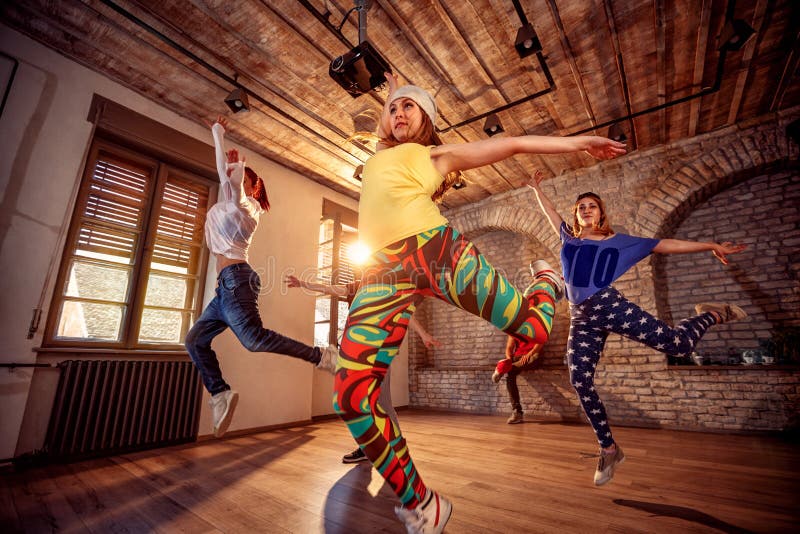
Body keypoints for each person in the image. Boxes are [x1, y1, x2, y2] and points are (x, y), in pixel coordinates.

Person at [333, 73, 626, 534]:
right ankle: (421, 503)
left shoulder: (433, 155)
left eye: (411, 107)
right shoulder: (377, 159)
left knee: (531, 330)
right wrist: (395, 92)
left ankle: (545, 282)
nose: (399, 113)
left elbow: (511, 145)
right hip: (381, 274)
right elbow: (388, 127)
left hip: (436, 251)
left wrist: (579, 143)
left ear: (427, 120)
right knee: (351, 393)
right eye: (393, 109)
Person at [527, 170, 747, 487]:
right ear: (576, 215)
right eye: (581, 207)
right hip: (581, 316)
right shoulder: (569, 239)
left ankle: (713, 314)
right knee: (579, 378)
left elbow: (665, 243)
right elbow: (550, 213)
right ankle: (609, 449)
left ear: (601, 213)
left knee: (680, 346)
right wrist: (536, 189)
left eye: (592, 206)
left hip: (607, 305)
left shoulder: (621, 242)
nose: (586, 209)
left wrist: (710, 245)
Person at [184, 117, 337, 439]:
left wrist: (232, 160)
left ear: (253, 187)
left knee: (253, 340)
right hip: (224, 289)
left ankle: (323, 355)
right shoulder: (230, 201)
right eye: (228, 175)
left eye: (237, 177)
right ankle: (220, 393)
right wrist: (217, 135)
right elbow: (225, 178)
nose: (228, 177)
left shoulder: (246, 207)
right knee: (195, 340)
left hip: (237, 280)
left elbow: (233, 186)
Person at [285, 274, 441, 463]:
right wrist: (302, 283)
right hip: (356, 353)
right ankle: (367, 447)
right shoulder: (355, 288)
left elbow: (405, 313)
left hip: (379, 353)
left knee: (381, 402)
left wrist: (424, 335)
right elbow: (328, 288)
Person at [491, 267, 547, 424]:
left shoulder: (536, 321)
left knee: (511, 369)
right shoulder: (514, 326)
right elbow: (509, 348)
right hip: (517, 358)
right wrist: (510, 360)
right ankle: (517, 412)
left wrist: (530, 355)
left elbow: (540, 342)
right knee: (511, 374)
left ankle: (501, 369)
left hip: (534, 356)